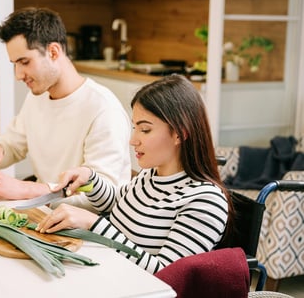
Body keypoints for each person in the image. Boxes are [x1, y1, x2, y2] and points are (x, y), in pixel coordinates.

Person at [36, 74, 234, 274]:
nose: (133, 140)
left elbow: (167, 274)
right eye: (134, 128)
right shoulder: (150, 176)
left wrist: (93, 223)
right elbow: (117, 203)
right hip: (107, 273)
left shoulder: (205, 201)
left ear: (179, 133)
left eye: (145, 130)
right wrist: (91, 179)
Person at [0, 7, 131, 210]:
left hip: (89, 228)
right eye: (15, 64)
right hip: (44, 215)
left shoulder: (104, 110)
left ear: (53, 52)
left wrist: (27, 189)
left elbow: (99, 195)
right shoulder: (36, 97)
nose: (18, 75)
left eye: (25, 62)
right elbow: (14, 143)